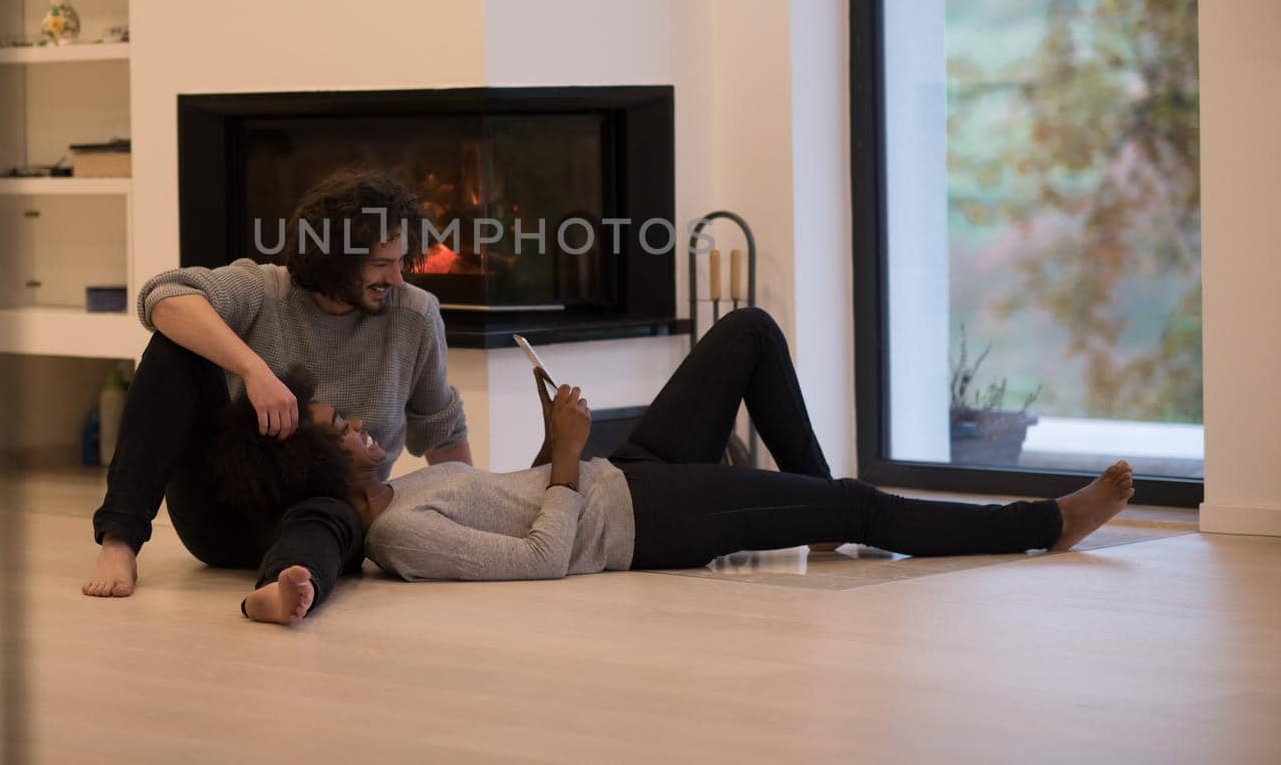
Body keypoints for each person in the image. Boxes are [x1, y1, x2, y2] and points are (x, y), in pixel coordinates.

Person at [223, 307, 1137, 624]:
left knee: (745, 335)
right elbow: (546, 559)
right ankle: (1044, 525)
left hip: (629, 477)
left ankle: (812, 508)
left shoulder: (412, 486)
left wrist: (554, 443)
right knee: (861, 505)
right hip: (648, 521)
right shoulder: (400, 532)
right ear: (320, 466)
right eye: (336, 426)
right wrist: (572, 461)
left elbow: (530, 501)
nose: (355, 424)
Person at [82, 169, 472, 614]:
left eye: (401, 262)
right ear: (335, 257)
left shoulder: (415, 316)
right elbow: (164, 296)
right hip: (222, 512)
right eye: (381, 264)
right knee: (174, 343)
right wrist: (254, 369)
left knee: (335, 515)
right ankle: (119, 541)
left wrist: (468, 517)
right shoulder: (264, 289)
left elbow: (441, 429)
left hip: (325, 521)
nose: (398, 279)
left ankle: (282, 590)